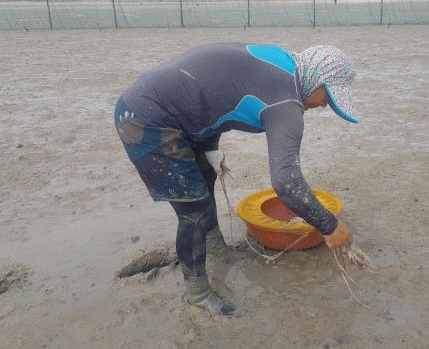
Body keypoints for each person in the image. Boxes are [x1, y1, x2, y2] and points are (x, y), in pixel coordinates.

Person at [114, 43, 357, 316]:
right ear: (318, 79)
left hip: (164, 109)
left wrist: (210, 147)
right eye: (328, 97)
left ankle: (215, 247)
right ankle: (197, 293)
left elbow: (214, 93)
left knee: (204, 178)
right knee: (192, 209)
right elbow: (286, 183)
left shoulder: (284, 64)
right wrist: (329, 226)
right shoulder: (285, 100)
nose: (325, 105)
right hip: (145, 119)